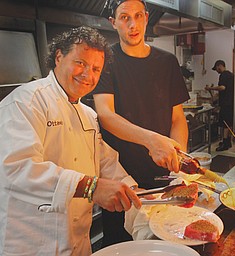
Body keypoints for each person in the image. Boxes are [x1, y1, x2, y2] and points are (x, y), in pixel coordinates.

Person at [0, 26, 142, 256]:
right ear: (58, 57)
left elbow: (103, 160)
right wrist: (91, 187)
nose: (89, 75)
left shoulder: (87, 113)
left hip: (77, 243)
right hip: (32, 244)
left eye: (96, 68)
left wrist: (134, 190)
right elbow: (16, 169)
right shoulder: (26, 102)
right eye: (81, 63)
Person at [91, 0, 190, 246]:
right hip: (119, 179)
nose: (132, 24)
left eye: (137, 16)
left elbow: (177, 117)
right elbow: (105, 114)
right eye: (124, 18)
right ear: (113, 23)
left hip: (162, 180)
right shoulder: (106, 60)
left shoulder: (167, 62)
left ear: (146, 18)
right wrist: (151, 140)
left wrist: (180, 160)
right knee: (122, 246)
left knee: (163, 244)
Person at [205, 59, 234, 151]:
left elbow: (222, 87)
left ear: (219, 66)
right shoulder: (231, 75)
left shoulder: (223, 75)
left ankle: (225, 143)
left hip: (226, 104)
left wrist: (211, 88)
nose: (217, 71)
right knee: (229, 123)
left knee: (225, 124)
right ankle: (228, 142)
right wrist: (215, 95)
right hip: (231, 103)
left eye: (217, 68)